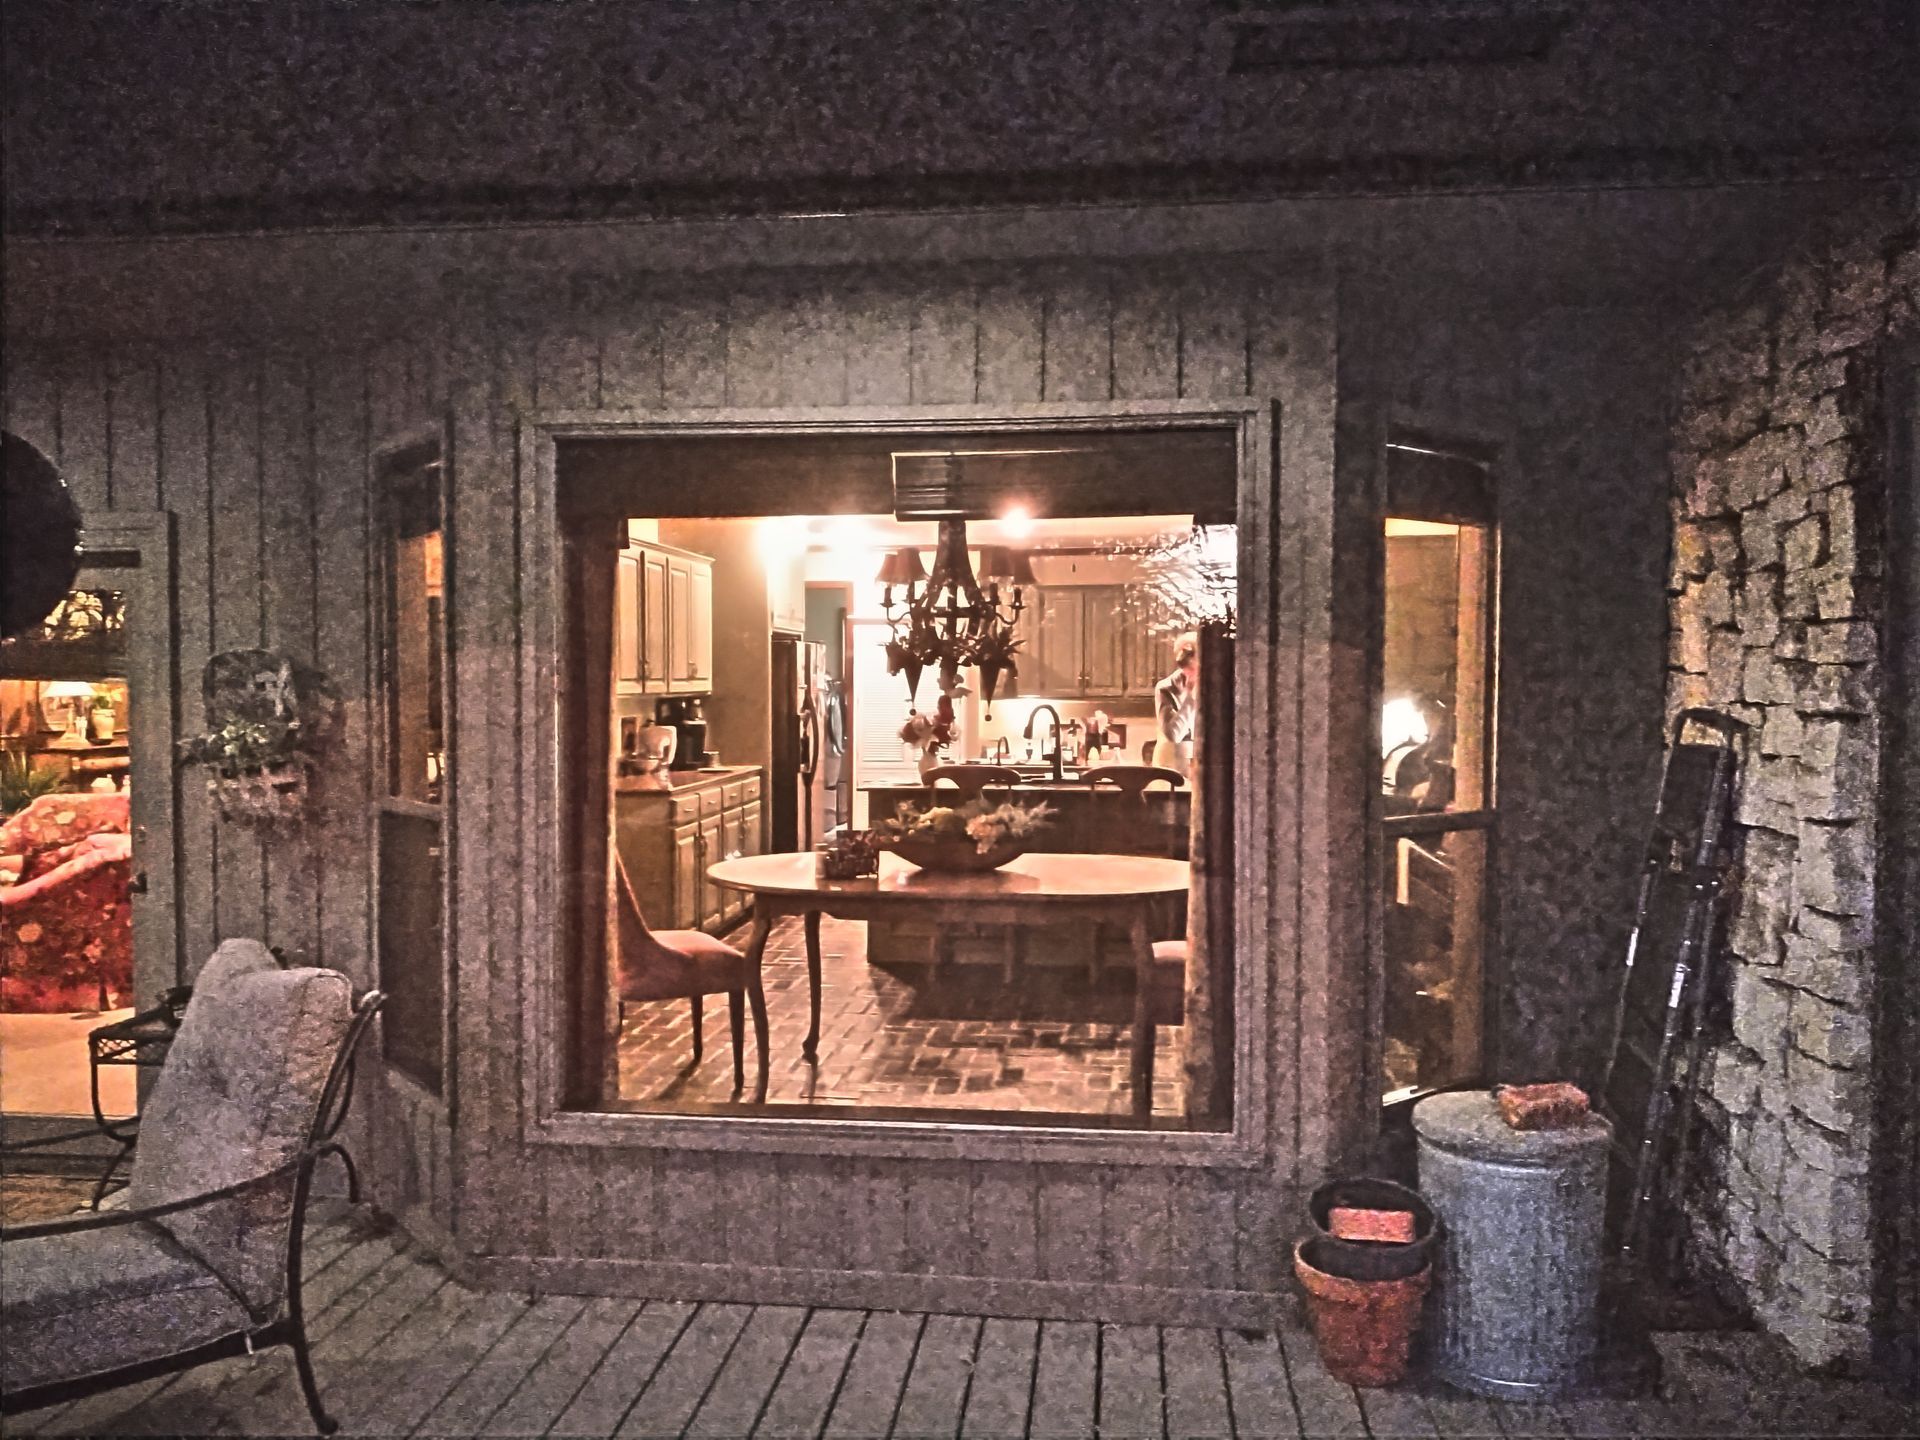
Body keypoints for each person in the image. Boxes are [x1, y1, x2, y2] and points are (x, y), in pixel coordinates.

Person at [1151, 634, 1199, 776]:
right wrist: (1191, 697)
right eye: (1188, 669)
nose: (1192, 673)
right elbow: (1174, 734)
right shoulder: (1166, 688)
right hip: (1171, 766)